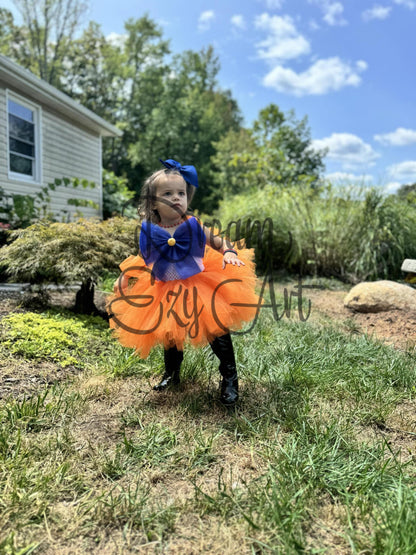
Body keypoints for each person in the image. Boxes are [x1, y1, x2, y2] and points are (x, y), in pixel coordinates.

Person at [107, 159, 260, 405]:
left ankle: (229, 376)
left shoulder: (193, 224)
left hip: (199, 284)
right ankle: (172, 373)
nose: (176, 198)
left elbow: (219, 243)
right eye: (168, 193)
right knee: (170, 333)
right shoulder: (149, 230)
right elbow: (144, 260)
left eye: (181, 192)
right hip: (164, 288)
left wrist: (229, 253)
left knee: (215, 327)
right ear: (153, 202)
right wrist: (124, 276)